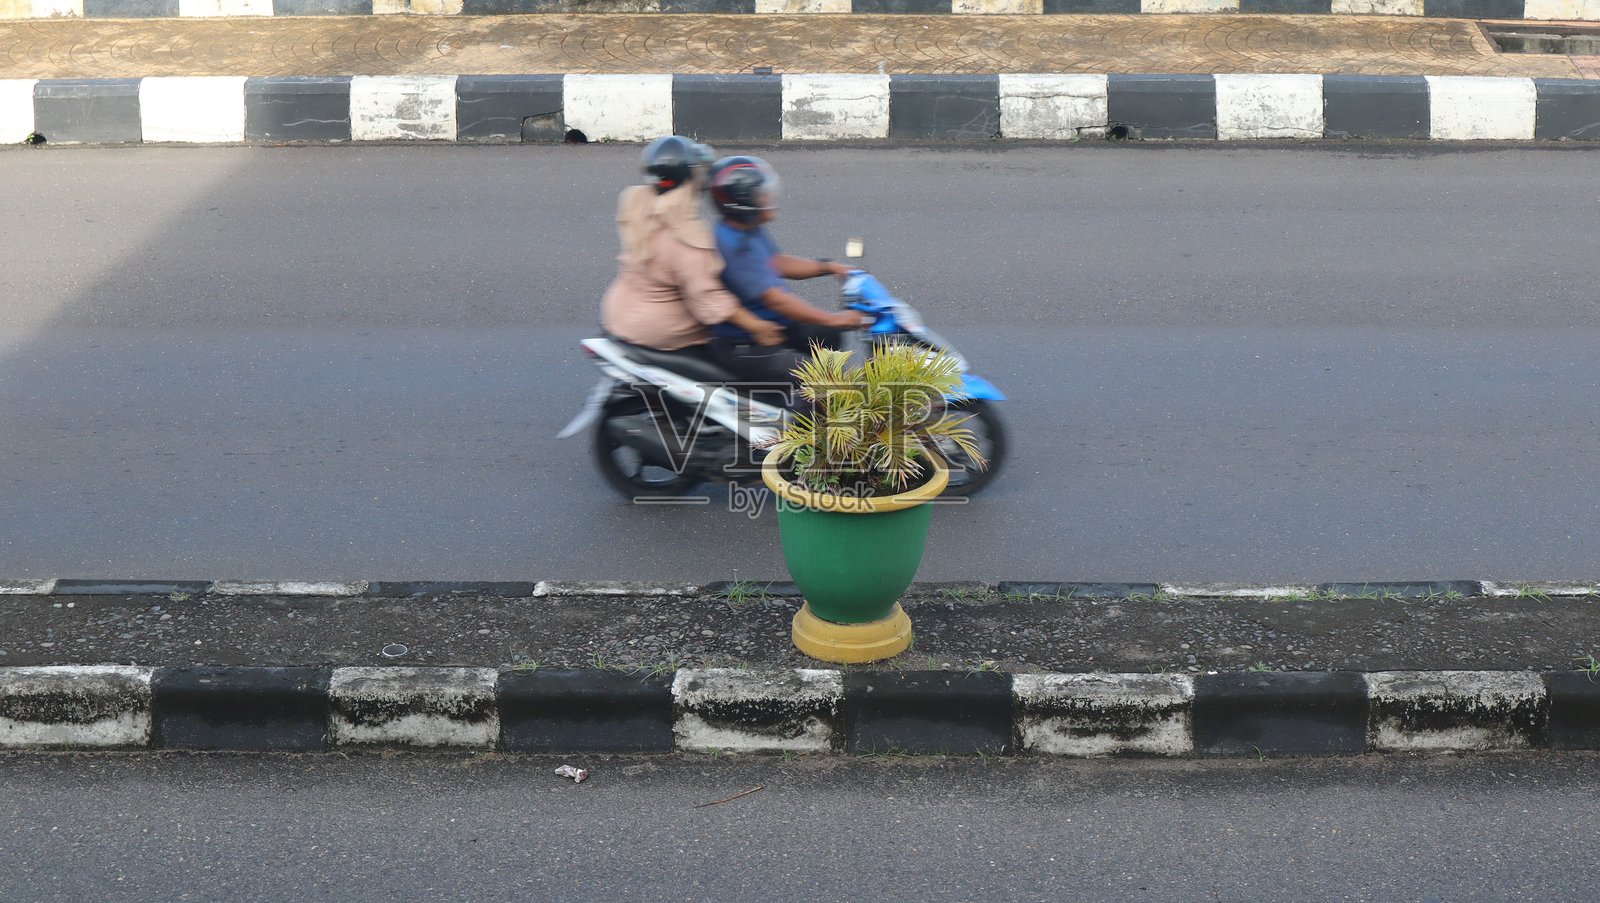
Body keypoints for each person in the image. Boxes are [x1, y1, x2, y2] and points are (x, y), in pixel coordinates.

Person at [600, 137, 783, 360]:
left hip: (618, 314)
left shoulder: (638, 208)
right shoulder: (685, 236)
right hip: (660, 333)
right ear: (690, 178)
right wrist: (757, 327)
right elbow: (709, 300)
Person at [703, 155, 869, 387]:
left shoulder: (748, 229)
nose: (769, 198)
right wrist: (834, 318)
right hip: (744, 344)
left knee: (827, 336)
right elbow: (777, 300)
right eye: (762, 194)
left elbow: (778, 262)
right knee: (816, 378)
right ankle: (801, 420)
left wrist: (829, 267)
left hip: (775, 326)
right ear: (742, 202)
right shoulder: (732, 245)